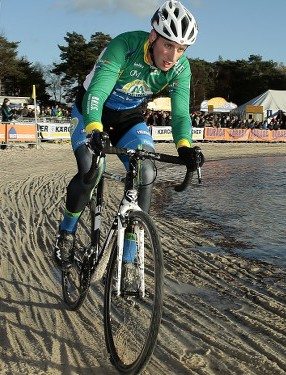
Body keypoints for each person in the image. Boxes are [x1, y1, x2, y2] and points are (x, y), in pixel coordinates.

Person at [52, 0, 202, 291]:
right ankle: (66, 233)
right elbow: (96, 91)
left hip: (128, 116)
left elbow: (181, 114)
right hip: (91, 109)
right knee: (91, 171)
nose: (173, 56)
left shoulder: (180, 68)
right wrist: (94, 129)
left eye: (181, 49)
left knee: (146, 174)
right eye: (168, 45)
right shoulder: (125, 46)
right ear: (153, 36)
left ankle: (129, 261)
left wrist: (185, 147)